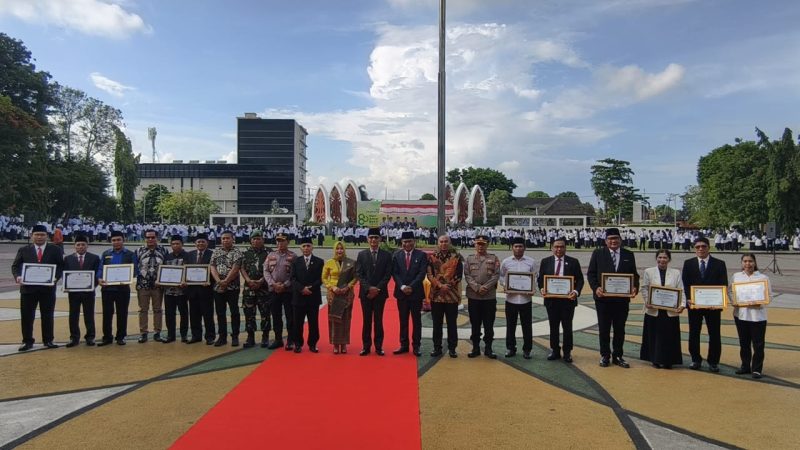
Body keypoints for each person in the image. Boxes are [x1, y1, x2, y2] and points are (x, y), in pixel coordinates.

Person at [587, 227, 639, 368]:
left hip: (621, 300)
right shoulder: (598, 253)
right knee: (604, 329)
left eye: (616, 238)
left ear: (620, 240)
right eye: (610, 239)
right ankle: (605, 355)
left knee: (619, 329)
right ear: (605, 241)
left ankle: (618, 355)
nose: (613, 241)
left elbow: (634, 275)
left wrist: (635, 287)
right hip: (603, 299)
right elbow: (591, 274)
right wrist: (596, 287)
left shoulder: (629, 254)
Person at [11, 224, 64, 351]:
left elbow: (61, 266)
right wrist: (18, 277)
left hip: (47, 289)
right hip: (28, 289)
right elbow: (15, 266)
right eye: (37, 235)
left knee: (48, 315)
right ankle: (27, 341)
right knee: (27, 316)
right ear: (32, 236)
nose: (39, 237)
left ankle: (48, 340)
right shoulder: (24, 249)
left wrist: (55, 278)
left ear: (47, 236)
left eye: (42, 235)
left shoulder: (55, 249)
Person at [682, 236, 728, 372]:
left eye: (703, 246)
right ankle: (695, 359)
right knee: (694, 333)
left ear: (709, 248)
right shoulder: (688, 263)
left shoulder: (719, 263)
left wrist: (720, 301)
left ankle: (713, 361)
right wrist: (688, 299)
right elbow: (685, 284)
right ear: (694, 249)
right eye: (697, 247)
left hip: (713, 306)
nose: (701, 249)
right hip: (694, 305)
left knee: (714, 334)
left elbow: (723, 284)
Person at [537, 237, 584, 363]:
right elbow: (541, 279)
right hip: (552, 300)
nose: (559, 249)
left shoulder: (573, 262)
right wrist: (542, 288)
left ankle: (567, 351)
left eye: (561, 246)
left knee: (567, 327)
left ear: (565, 248)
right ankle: (555, 350)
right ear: (552, 248)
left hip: (568, 300)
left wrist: (575, 291)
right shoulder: (545, 261)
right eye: (556, 246)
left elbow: (580, 279)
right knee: (553, 326)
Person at [639, 249, 684, 369]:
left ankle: (668, 360)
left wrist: (682, 305)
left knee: (669, 336)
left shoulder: (676, 273)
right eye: (660, 257)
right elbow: (644, 288)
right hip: (653, 309)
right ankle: (655, 359)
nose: (662, 260)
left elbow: (681, 290)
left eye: (665, 257)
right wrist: (647, 301)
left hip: (670, 310)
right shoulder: (649, 271)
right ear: (656, 258)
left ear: (669, 259)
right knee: (654, 335)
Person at [731, 253, 769, 379]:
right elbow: (730, 291)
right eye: (745, 261)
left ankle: (757, 369)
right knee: (744, 343)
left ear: (755, 263)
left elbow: (770, 295)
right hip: (740, 315)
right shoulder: (736, 277)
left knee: (758, 344)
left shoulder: (763, 277)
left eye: (750, 261)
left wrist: (760, 302)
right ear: (742, 263)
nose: (748, 264)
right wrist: (734, 301)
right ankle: (745, 366)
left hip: (757, 316)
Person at [355, 227, 392, 356]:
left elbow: (388, 275)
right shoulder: (362, 254)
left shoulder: (386, 255)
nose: (373, 240)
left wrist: (377, 289)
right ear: (367, 239)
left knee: (378, 320)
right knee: (366, 321)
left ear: (380, 239)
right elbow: (359, 274)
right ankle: (366, 346)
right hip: (365, 294)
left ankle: (378, 346)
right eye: (371, 237)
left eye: (376, 237)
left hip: (380, 293)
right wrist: (368, 288)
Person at [97, 231, 138, 346]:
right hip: (107, 289)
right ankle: (107, 337)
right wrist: (99, 279)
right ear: (111, 241)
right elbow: (100, 268)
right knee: (107, 314)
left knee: (122, 313)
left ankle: (121, 336)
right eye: (114, 240)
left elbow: (135, 270)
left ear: (123, 240)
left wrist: (129, 276)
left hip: (123, 289)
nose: (116, 242)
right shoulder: (106, 254)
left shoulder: (130, 254)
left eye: (118, 240)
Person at [391, 231, 428, 356]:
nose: (407, 244)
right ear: (401, 242)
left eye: (410, 241)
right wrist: (402, 286)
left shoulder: (421, 255)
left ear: (414, 242)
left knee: (416, 321)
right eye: (405, 242)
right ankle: (404, 345)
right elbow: (394, 273)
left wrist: (411, 287)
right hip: (401, 293)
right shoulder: (397, 255)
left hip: (415, 293)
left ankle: (416, 346)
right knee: (403, 320)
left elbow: (422, 273)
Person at [500, 237, 537, 359]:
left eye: (521, 246)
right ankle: (511, 348)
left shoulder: (531, 262)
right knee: (511, 325)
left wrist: (532, 288)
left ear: (524, 248)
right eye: (516, 246)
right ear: (512, 248)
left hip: (526, 299)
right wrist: (506, 285)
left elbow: (535, 277)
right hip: (511, 299)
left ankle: (527, 349)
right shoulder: (506, 262)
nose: (518, 248)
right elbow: (501, 276)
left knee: (527, 326)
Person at [426, 235, 463, 358]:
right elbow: (429, 275)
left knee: (452, 323)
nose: (443, 244)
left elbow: (458, 276)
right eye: (441, 241)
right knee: (437, 324)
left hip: (451, 296)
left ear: (450, 243)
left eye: (446, 241)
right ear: (438, 243)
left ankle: (452, 348)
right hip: (436, 296)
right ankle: (437, 348)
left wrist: (447, 286)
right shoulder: (432, 258)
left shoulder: (456, 258)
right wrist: (440, 286)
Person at [464, 235, 500, 359]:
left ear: (487, 245)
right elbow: (467, 275)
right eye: (478, 243)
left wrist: (485, 287)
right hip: (474, 296)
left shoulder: (494, 258)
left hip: (489, 297)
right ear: (474, 245)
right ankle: (475, 347)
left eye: (483, 244)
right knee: (475, 324)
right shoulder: (469, 259)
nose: (480, 246)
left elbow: (496, 275)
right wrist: (477, 288)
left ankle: (489, 348)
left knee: (489, 324)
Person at [63, 234, 100, 347]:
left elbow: (97, 274)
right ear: (74, 246)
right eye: (78, 244)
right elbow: (65, 274)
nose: (80, 247)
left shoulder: (94, 258)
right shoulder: (68, 259)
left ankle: (90, 337)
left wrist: (92, 285)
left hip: (88, 292)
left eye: (83, 244)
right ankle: (74, 338)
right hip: (73, 293)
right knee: (73, 315)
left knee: (89, 315)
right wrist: (66, 285)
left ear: (87, 246)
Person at [210, 230, 243, 347]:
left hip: (232, 287)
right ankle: (222, 336)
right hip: (218, 287)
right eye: (223, 238)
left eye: (228, 238)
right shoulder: (216, 251)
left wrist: (226, 281)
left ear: (232, 239)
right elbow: (212, 266)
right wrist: (219, 281)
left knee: (234, 312)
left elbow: (236, 268)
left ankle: (235, 336)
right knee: (220, 313)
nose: (225, 240)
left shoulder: (237, 252)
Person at [323, 241, 357, 354]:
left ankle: (344, 344)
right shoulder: (329, 263)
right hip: (334, 295)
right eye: (337, 248)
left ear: (344, 250)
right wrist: (332, 287)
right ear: (334, 250)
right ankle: (335, 344)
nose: (339, 251)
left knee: (346, 320)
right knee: (334, 319)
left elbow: (355, 277)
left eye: (341, 248)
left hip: (347, 295)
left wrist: (348, 287)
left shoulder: (351, 263)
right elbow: (324, 278)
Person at [264, 232, 297, 350]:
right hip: (274, 290)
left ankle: (290, 340)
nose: (280, 243)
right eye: (278, 241)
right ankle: (278, 339)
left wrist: (284, 285)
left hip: (287, 291)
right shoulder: (271, 255)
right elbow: (266, 271)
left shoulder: (293, 256)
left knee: (290, 316)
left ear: (288, 242)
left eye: (282, 240)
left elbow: (294, 275)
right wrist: (273, 284)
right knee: (276, 316)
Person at [291, 238, 324, 353]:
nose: (306, 248)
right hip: (298, 296)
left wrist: (310, 288)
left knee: (313, 323)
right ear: (300, 248)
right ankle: (298, 344)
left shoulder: (319, 261)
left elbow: (321, 278)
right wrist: (302, 289)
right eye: (304, 246)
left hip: (313, 296)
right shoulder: (295, 261)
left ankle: (313, 344)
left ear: (312, 247)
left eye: (308, 246)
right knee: (297, 322)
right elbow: (293, 278)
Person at [240, 230, 272, 348]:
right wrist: (248, 280)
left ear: (263, 240)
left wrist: (261, 281)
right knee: (249, 313)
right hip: (249, 288)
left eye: (258, 239)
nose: (256, 241)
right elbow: (242, 268)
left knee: (265, 313)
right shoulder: (245, 252)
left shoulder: (269, 252)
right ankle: (250, 337)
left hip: (264, 288)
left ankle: (265, 337)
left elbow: (271, 269)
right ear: (250, 240)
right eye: (253, 239)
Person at [135, 229, 167, 343]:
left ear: (157, 238)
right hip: (143, 286)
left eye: (152, 237)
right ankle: (143, 333)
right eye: (148, 237)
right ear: (145, 238)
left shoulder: (163, 250)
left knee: (157, 310)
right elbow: (134, 267)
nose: (150, 239)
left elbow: (167, 267)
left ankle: (157, 332)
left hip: (158, 286)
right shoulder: (138, 251)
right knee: (143, 310)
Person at [185, 233, 215, 344]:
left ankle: (210, 336)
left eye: (203, 241)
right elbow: (186, 270)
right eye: (198, 242)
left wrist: (210, 281)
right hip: (192, 290)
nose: (200, 243)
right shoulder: (190, 255)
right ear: (195, 243)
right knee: (194, 314)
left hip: (206, 289)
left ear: (207, 243)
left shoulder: (212, 254)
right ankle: (196, 336)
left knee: (208, 314)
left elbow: (214, 270)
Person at [161, 235, 189, 343]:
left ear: (182, 244)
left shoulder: (187, 256)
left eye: (178, 243)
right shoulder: (167, 257)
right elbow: (162, 272)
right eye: (173, 244)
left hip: (182, 291)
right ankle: (170, 335)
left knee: (184, 314)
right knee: (169, 314)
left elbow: (189, 271)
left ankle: (184, 335)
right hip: (169, 291)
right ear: (170, 245)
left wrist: (186, 281)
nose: (175, 246)